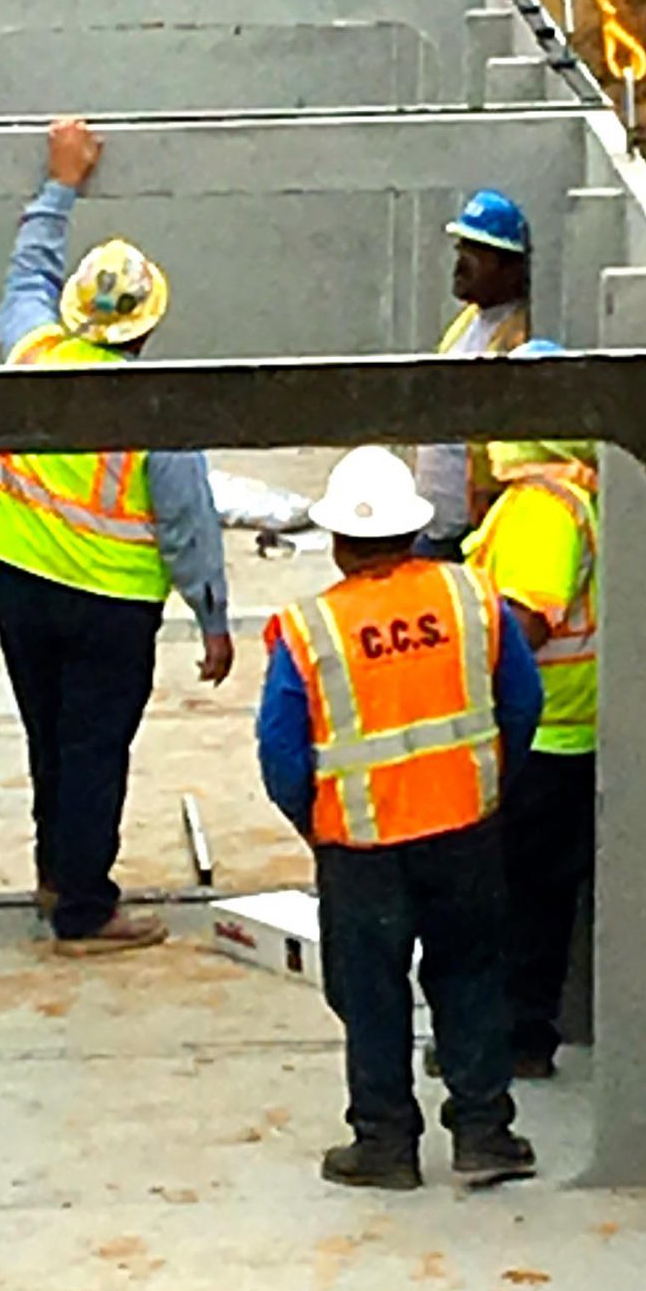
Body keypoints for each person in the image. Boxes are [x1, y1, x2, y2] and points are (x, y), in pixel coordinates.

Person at [255, 446, 542, 1191]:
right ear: (413, 533)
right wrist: (487, 783)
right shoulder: (473, 598)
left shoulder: (309, 628)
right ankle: (485, 1132)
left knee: (371, 989)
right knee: (472, 977)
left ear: (341, 544)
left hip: (361, 848)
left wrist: (317, 821)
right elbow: (522, 702)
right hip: (464, 831)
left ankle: (384, 1142)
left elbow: (281, 752)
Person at [0, 117, 233, 955]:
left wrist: (60, 187)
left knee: (49, 741)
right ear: (145, 325)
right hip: (109, 609)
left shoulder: (29, 354)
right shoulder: (154, 406)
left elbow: (26, 273)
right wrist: (212, 617)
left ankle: (58, 873)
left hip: (20, 586)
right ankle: (85, 908)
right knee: (95, 751)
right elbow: (186, 522)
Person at [465, 344, 598, 1079]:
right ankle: (519, 1030)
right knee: (532, 893)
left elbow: (527, 623)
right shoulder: (574, 491)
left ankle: (516, 1037)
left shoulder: (543, 508)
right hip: (558, 727)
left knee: (516, 896)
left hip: (539, 733)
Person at [416, 189, 531, 558]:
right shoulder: (470, 321)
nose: (461, 263)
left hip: (468, 529)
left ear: (511, 267)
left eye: (478, 253)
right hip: (436, 520)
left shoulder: (516, 338)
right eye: (461, 249)